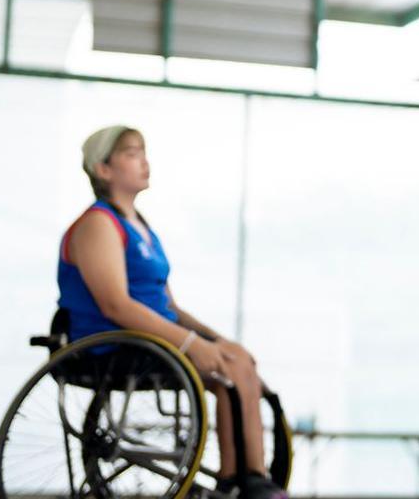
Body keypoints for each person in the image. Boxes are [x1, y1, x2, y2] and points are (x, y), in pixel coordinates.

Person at [57, 125, 284, 499]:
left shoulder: (141, 228)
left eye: (143, 152)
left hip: (154, 338)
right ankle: (240, 482)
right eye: (131, 153)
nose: (144, 161)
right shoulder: (97, 224)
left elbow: (169, 306)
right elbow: (116, 304)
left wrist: (217, 340)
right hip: (114, 345)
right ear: (104, 169)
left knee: (237, 358)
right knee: (225, 366)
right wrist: (192, 344)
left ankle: (247, 478)